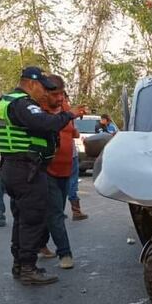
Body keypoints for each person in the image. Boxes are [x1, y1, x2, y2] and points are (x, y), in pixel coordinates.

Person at [0, 66, 86, 285]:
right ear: (32, 83)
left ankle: (19, 264)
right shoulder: (21, 103)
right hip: (26, 169)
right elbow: (44, 123)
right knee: (32, 219)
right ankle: (28, 267)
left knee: (22, 218)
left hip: (15, 168)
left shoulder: (7, 102)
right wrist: (69, 114)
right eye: (42, 89)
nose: (44, 94)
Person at [40, 74, 75, 269]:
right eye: (55, 94)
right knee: (55, 213)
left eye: (62, 94)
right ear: (45, 94)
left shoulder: (67, 111)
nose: (60, 98)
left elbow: (73, 133)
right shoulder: (39, 113)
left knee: (56, 211)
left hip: (66, 170)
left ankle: (40, 242)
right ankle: (65, 253)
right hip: (47, 171)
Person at [66, 93, 88, 221]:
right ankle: (76, 211)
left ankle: (58, 212)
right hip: (70, 154)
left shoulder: (52, 113)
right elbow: (75, 134)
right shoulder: (69, 116)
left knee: (59, 183)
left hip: (57, 155)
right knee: (72, 182)